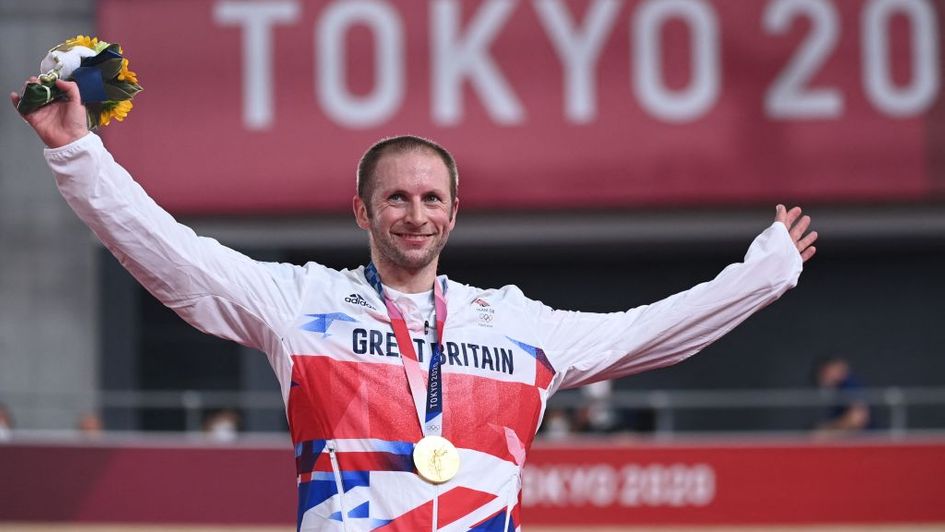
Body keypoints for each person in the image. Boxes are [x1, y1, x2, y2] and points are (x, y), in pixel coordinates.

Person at [12, 79, 817, 531]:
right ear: (362, 211)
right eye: (394, 198)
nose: (414, 213)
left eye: (431, 198)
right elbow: (168, 253)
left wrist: (762, 273)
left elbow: (653, 332)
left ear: (454, 213)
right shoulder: (300, 302)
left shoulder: (518, 324)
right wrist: (78, 152)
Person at [812, 356, 871, 439]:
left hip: (864, 441)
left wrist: (828, 431)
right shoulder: (836, 390)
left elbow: (857, 419)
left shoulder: (850, 385)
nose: (825, 376)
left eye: (827, 371)